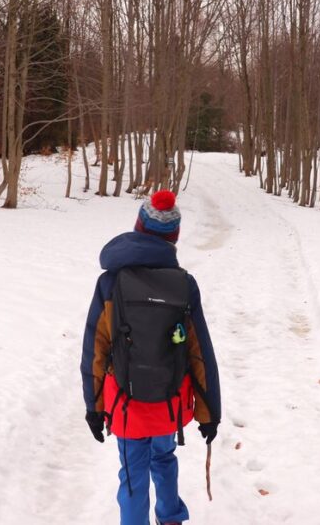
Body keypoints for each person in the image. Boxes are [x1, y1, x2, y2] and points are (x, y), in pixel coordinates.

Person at [81, 190, 221, 525]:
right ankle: (171, 517)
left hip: (125, 404)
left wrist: (94, 407)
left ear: (138, 227)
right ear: (173, 238)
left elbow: (95, 350)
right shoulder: (184, 284)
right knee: (164, 457)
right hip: (169, 402)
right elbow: (200, 352)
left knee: (133, 474)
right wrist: (209, 413)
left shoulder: (110, 282)